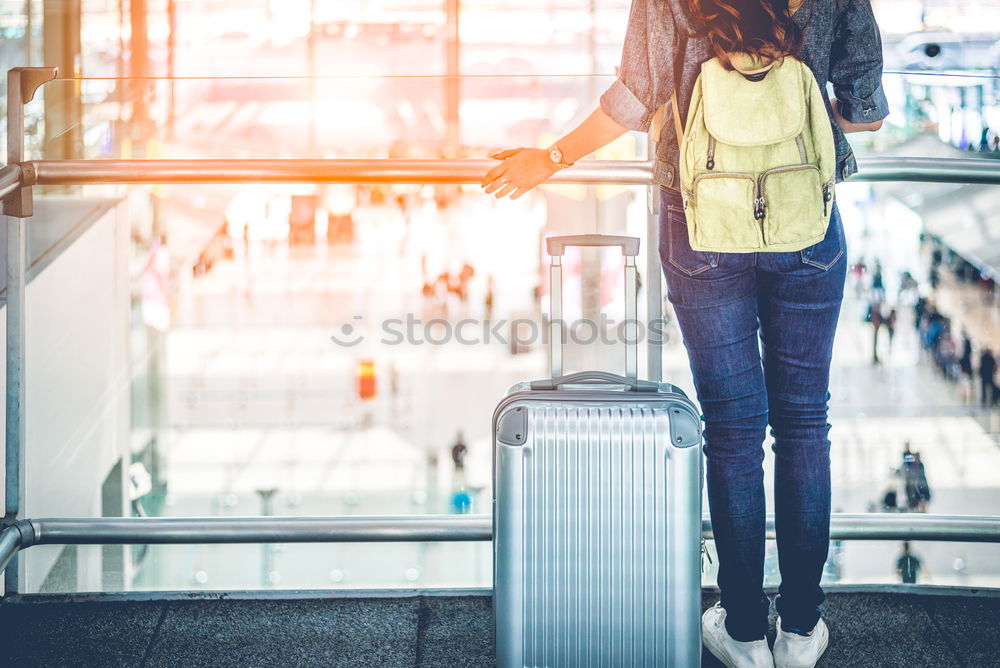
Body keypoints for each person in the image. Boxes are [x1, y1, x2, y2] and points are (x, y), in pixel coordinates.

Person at [481, 1, 888, 666]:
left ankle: (747, 632)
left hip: (701, 220)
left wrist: (549, 158)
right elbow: (866, 110)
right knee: (804, 425)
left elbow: (634, 99)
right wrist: (793, 110)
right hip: (804, 221)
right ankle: (801, 630)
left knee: (733, 429)